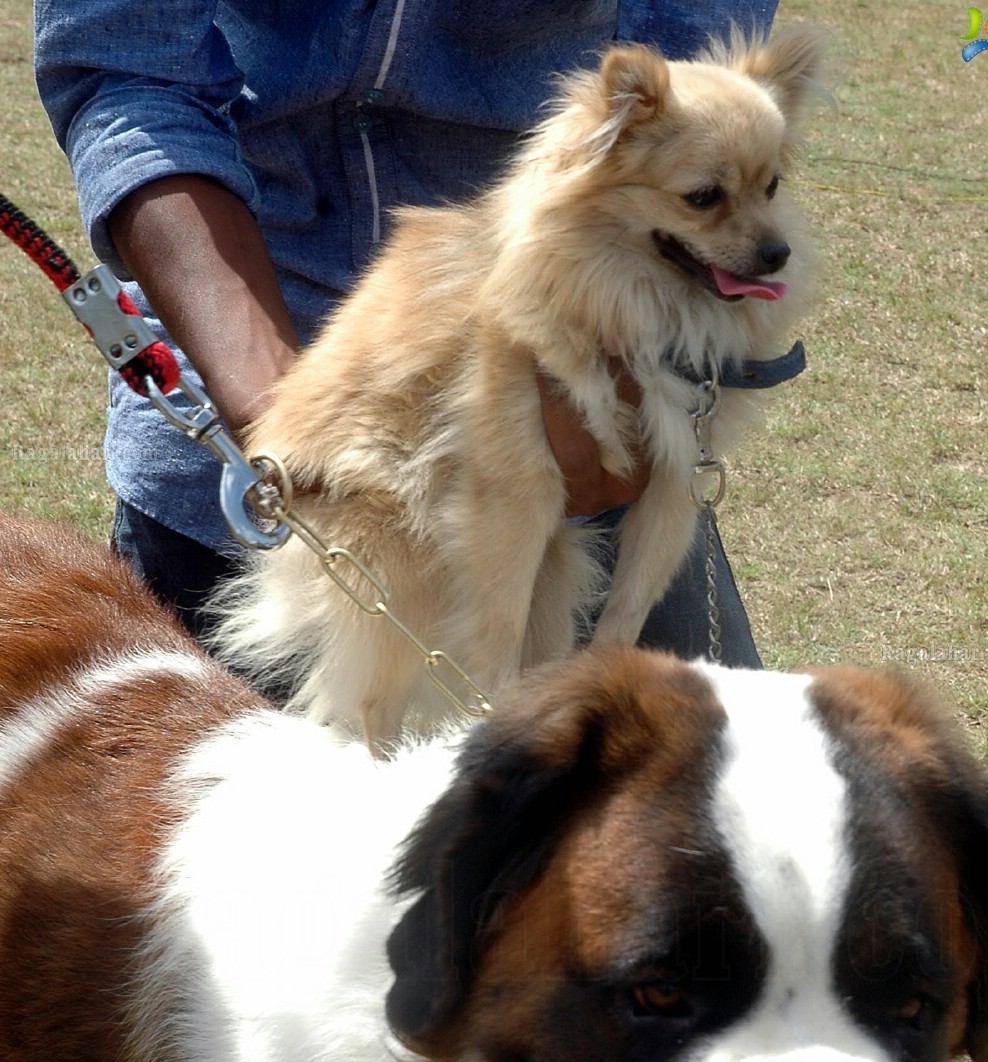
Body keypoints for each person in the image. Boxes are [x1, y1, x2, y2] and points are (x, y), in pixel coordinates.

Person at [34, 2, 778, 669]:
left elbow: (695, 92)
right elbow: (128, 68)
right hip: (237, 447)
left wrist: (601, 392)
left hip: (577, 422)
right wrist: (281, 408)